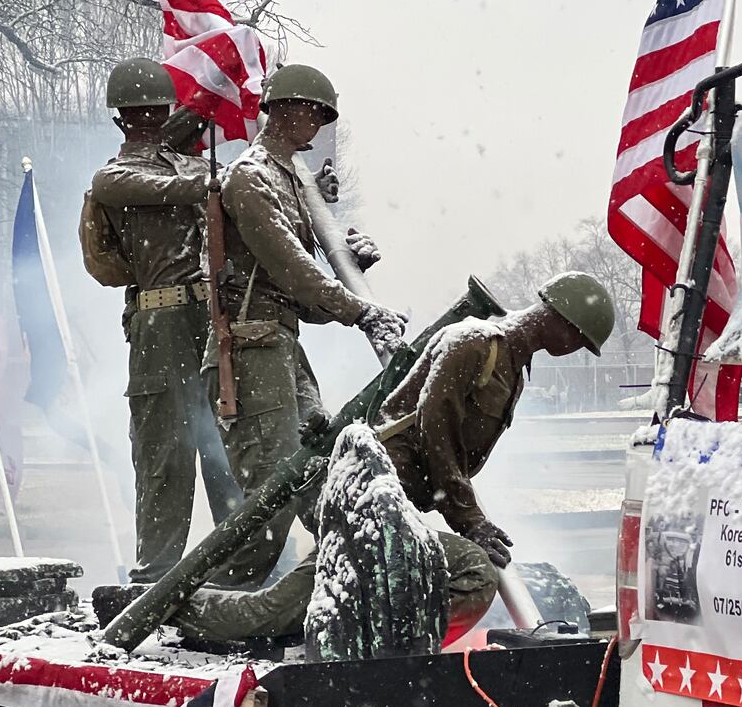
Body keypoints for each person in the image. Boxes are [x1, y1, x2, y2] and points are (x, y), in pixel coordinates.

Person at [167, 271, 616, 647]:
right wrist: (469, 519)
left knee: (280, 609)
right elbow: (434, 432)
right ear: (561, 322)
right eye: (579, 338)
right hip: (367, 498)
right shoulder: (473, 343)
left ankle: (350, 636)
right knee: (473, 572)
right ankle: (167, 607)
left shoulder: (511, 368)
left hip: (388, 507)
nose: (576, 347)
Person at [199, 62, 403, 591]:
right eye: (313, 113)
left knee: (317, 466)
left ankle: (338, 583)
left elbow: (303, 296)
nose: (317, 125)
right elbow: (291, 268)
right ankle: (218, 602)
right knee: (275, 491)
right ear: (285, 110)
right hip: (250, 345)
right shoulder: (251, 177)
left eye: (321, 116)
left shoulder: (291, 180)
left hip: (280, 343)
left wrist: (354, 271)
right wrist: (360, 309)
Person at [81, 58, 246, 582]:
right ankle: (156, 575)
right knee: (163, 455)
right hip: (159, 322)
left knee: (227, 447)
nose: (147, 118)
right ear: (123, 120)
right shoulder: (114, 178)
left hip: (211, 317)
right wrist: (208, 183)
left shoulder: (201, 172)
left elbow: (239, 209)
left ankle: (243, 567)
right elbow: (155, 191)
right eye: (139, 112)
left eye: (154, 110)